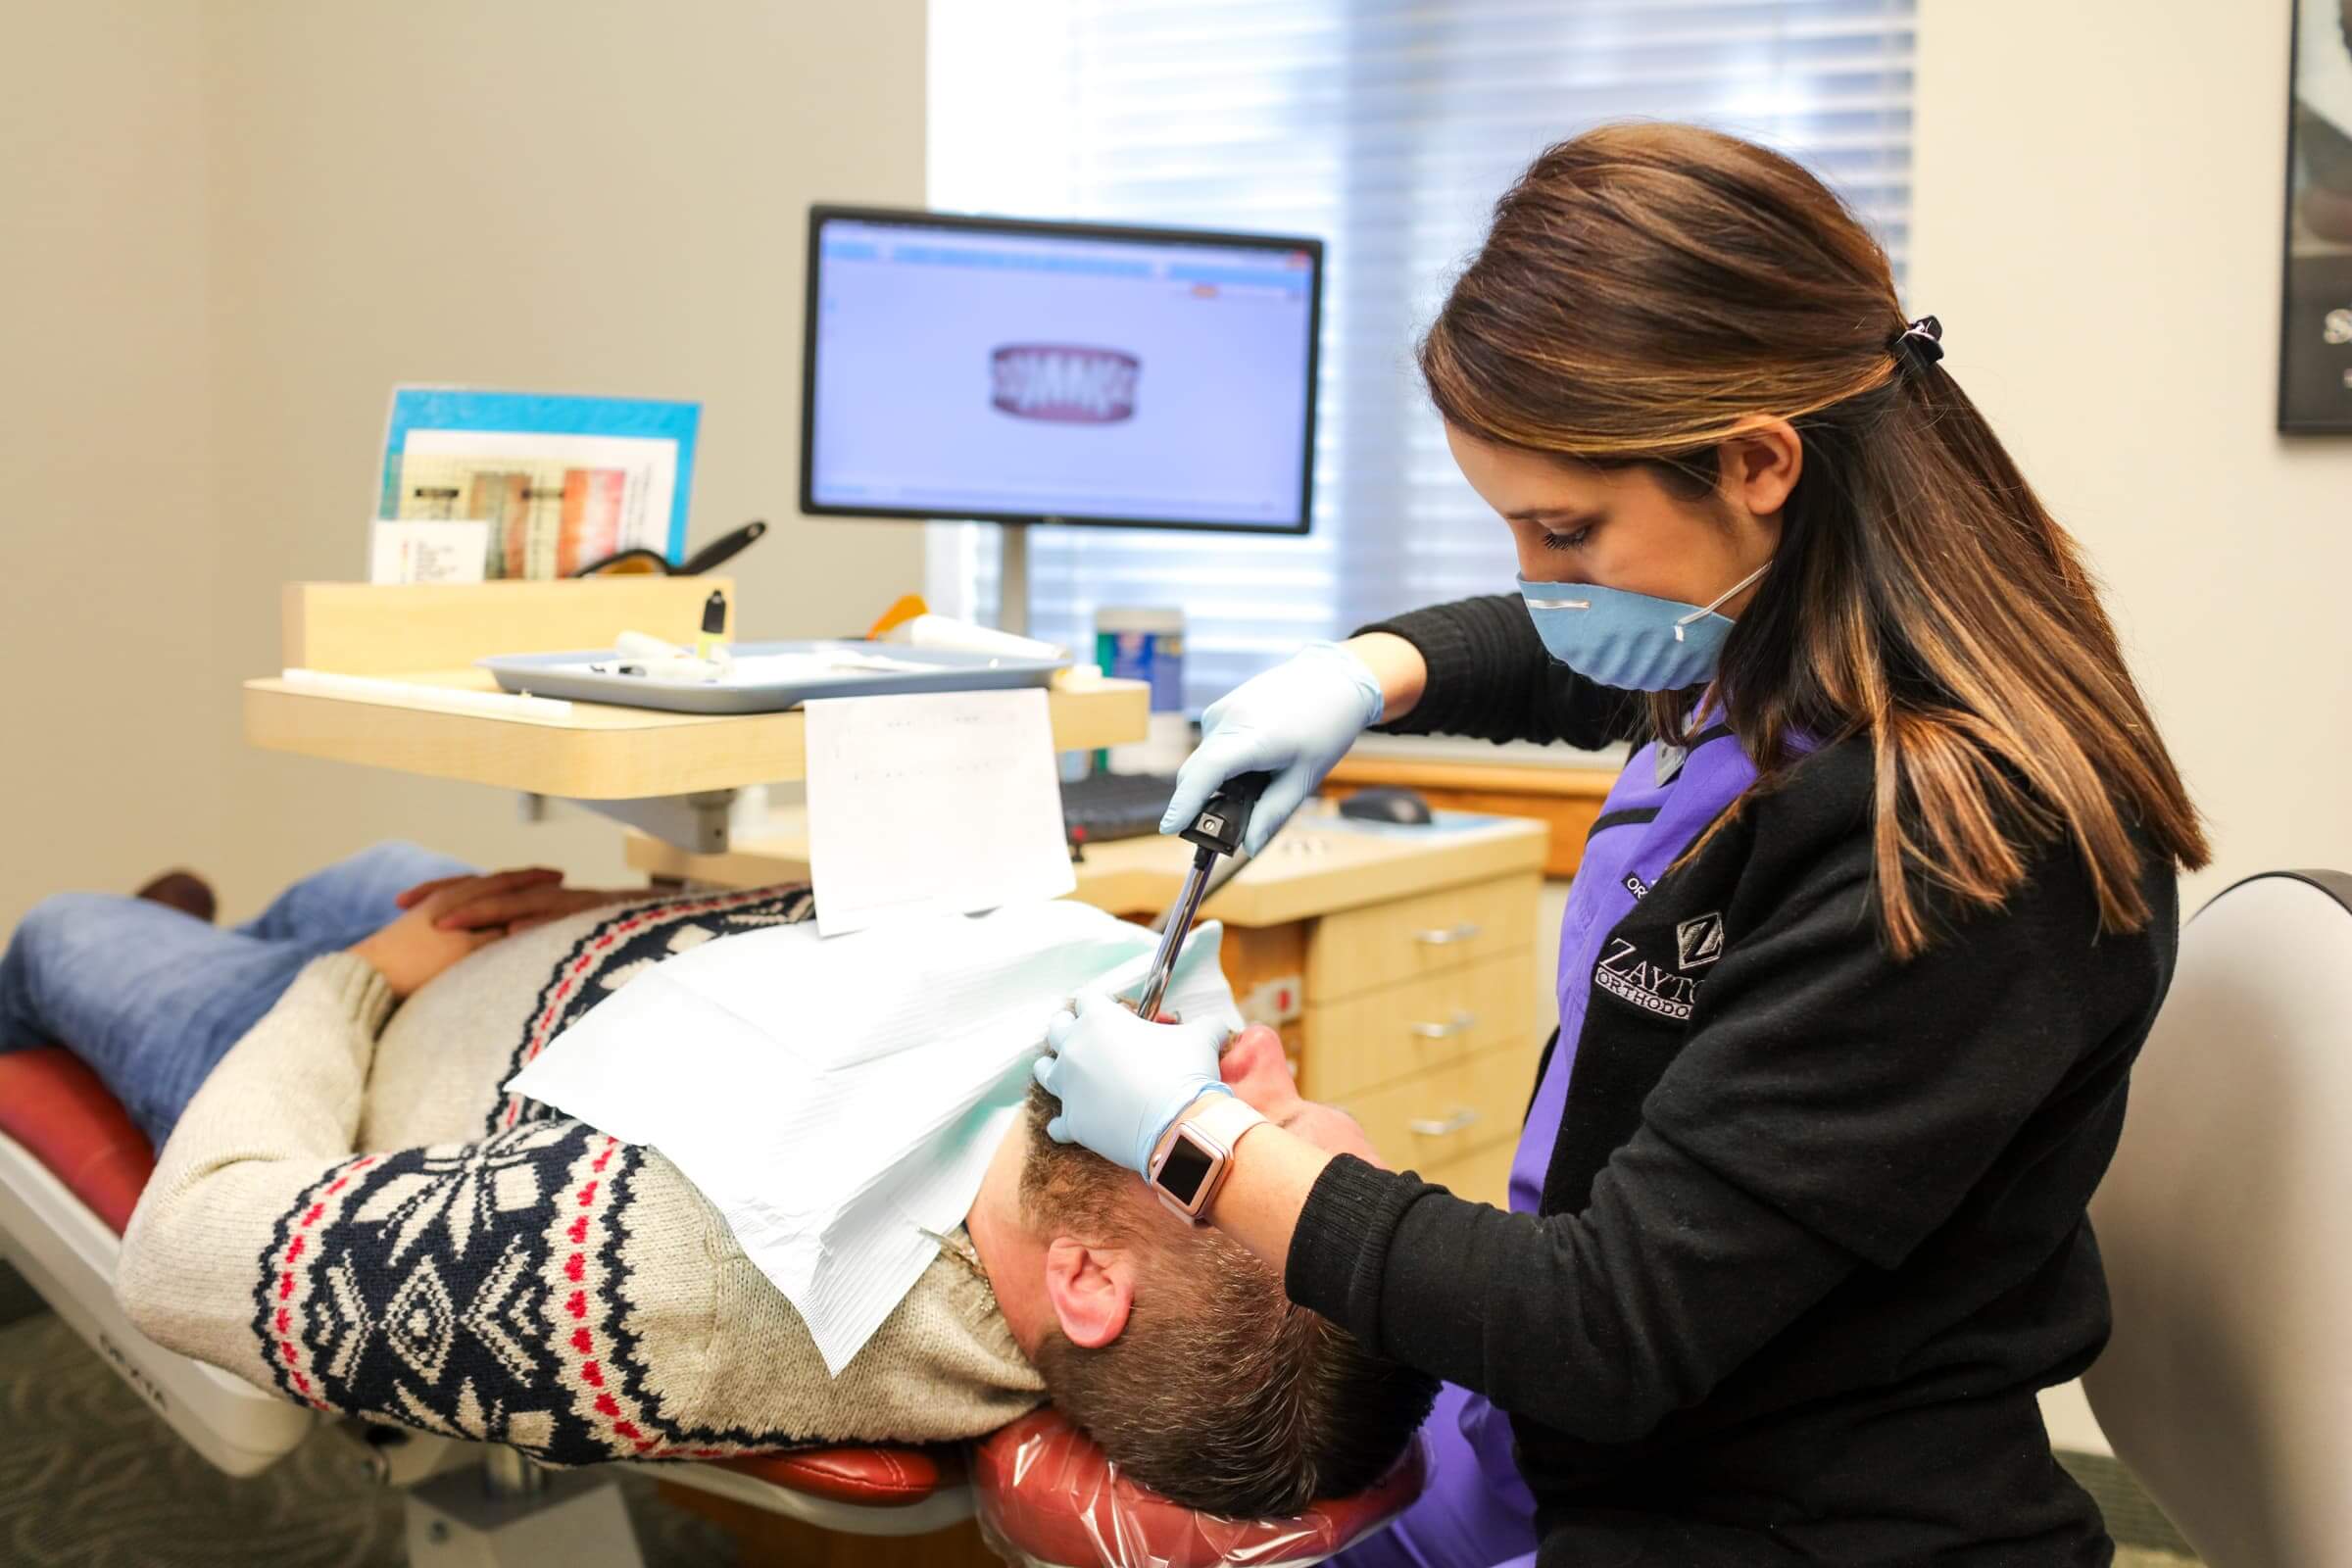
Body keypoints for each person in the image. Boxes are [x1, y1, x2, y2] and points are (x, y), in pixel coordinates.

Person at [1034, 122, 2209, 1566]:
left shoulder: (1970, 845)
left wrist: (1194, 1141)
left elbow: (1603, 1328)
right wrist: (1373, 672)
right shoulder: (1790, 642)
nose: (1540, 584)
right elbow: (1595, 655)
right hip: (1586, 1447)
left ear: (1760, 462)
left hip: (1786, 1521)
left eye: (1567, 531)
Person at [0, 845, 1435, 1516]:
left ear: (1086, 1284)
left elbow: (185, 1252)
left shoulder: (673, 1284)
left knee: (62, 928)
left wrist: (355, 984)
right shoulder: (1081, 1147)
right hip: (539, 934)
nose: (1250, 1066)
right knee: (362, 861)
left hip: (345, 1039)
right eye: (1301, 1103)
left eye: (1232, 1146)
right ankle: (205, 924)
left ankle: (135, 979)